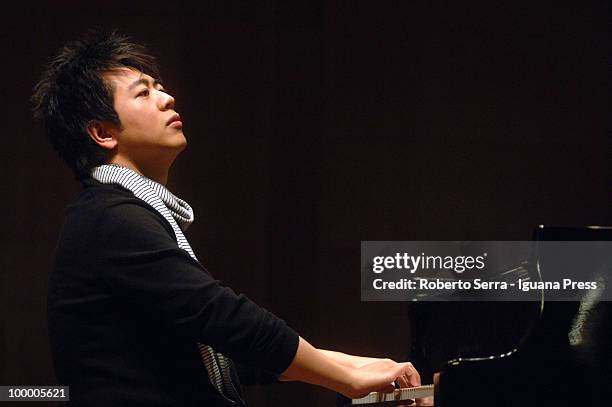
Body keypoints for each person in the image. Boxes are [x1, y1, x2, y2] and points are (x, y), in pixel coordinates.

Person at [32, 30, 421, 406]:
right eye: (144, 93)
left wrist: (351, 362)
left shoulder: (121, 212)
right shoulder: (109, 218)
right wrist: (347, 379)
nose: (167, 99)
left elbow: (216, 357)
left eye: (160, 87)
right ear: (102, 132)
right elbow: (224, 317)